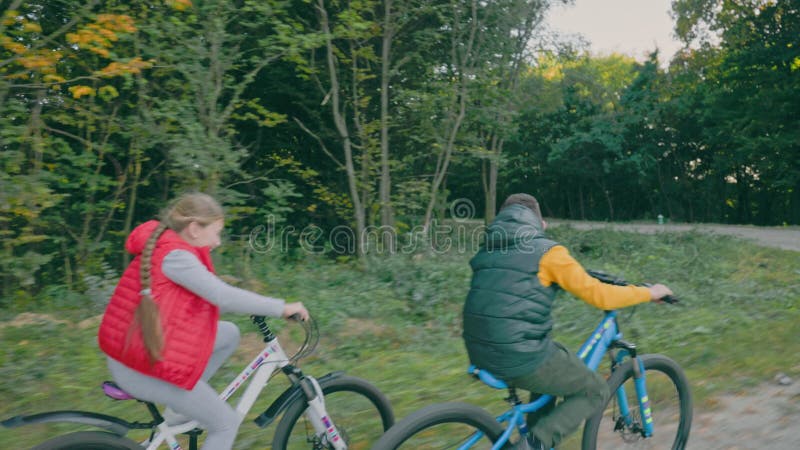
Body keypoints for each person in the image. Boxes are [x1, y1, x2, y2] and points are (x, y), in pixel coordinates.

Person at [98, 192, 309, 450]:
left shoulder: (167, 243)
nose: (218, 242)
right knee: (225, 424)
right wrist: (281, 308)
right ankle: (183, 404)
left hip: (137, 351)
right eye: (216, 232)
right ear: (195, 229)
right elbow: (221, 295)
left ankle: (179, 411)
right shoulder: (176, 256)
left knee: (229, 333)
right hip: (140, 368)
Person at [462, 193, 673, 450]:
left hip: (478, 351)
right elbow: (601, 296)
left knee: (553, 363)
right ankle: (534, 445)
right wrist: (649, 293)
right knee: (594, 389)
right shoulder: (548, 253)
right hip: (518, 355)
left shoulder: (490, 249)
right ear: (540, 223)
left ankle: (533, 439)